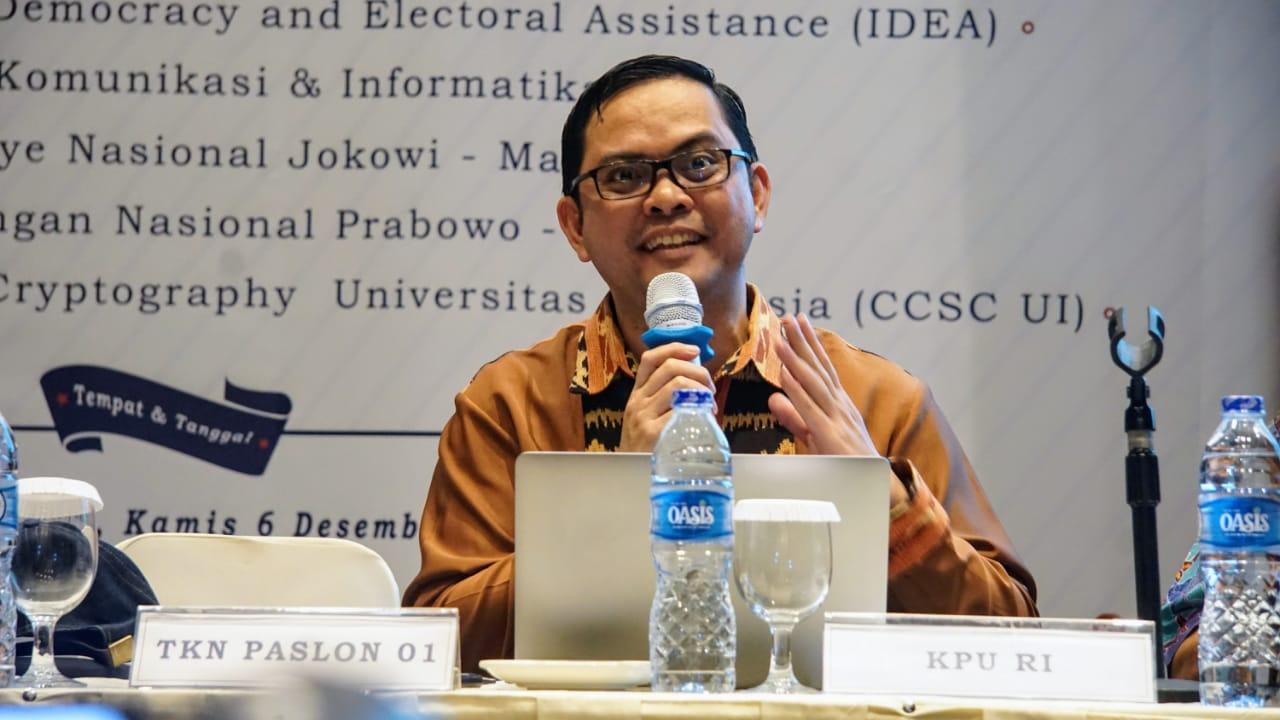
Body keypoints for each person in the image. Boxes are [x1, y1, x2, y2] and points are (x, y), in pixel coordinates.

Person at [402, 55, 1038, 672]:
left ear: (756, 195)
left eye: (700, 164)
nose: (665, 197)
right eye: (623, 176)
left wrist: (884, 500)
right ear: (575, 227)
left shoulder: (876, 399)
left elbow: (1009, 640)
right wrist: (614, 503)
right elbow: (441, 643)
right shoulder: (509, 403)